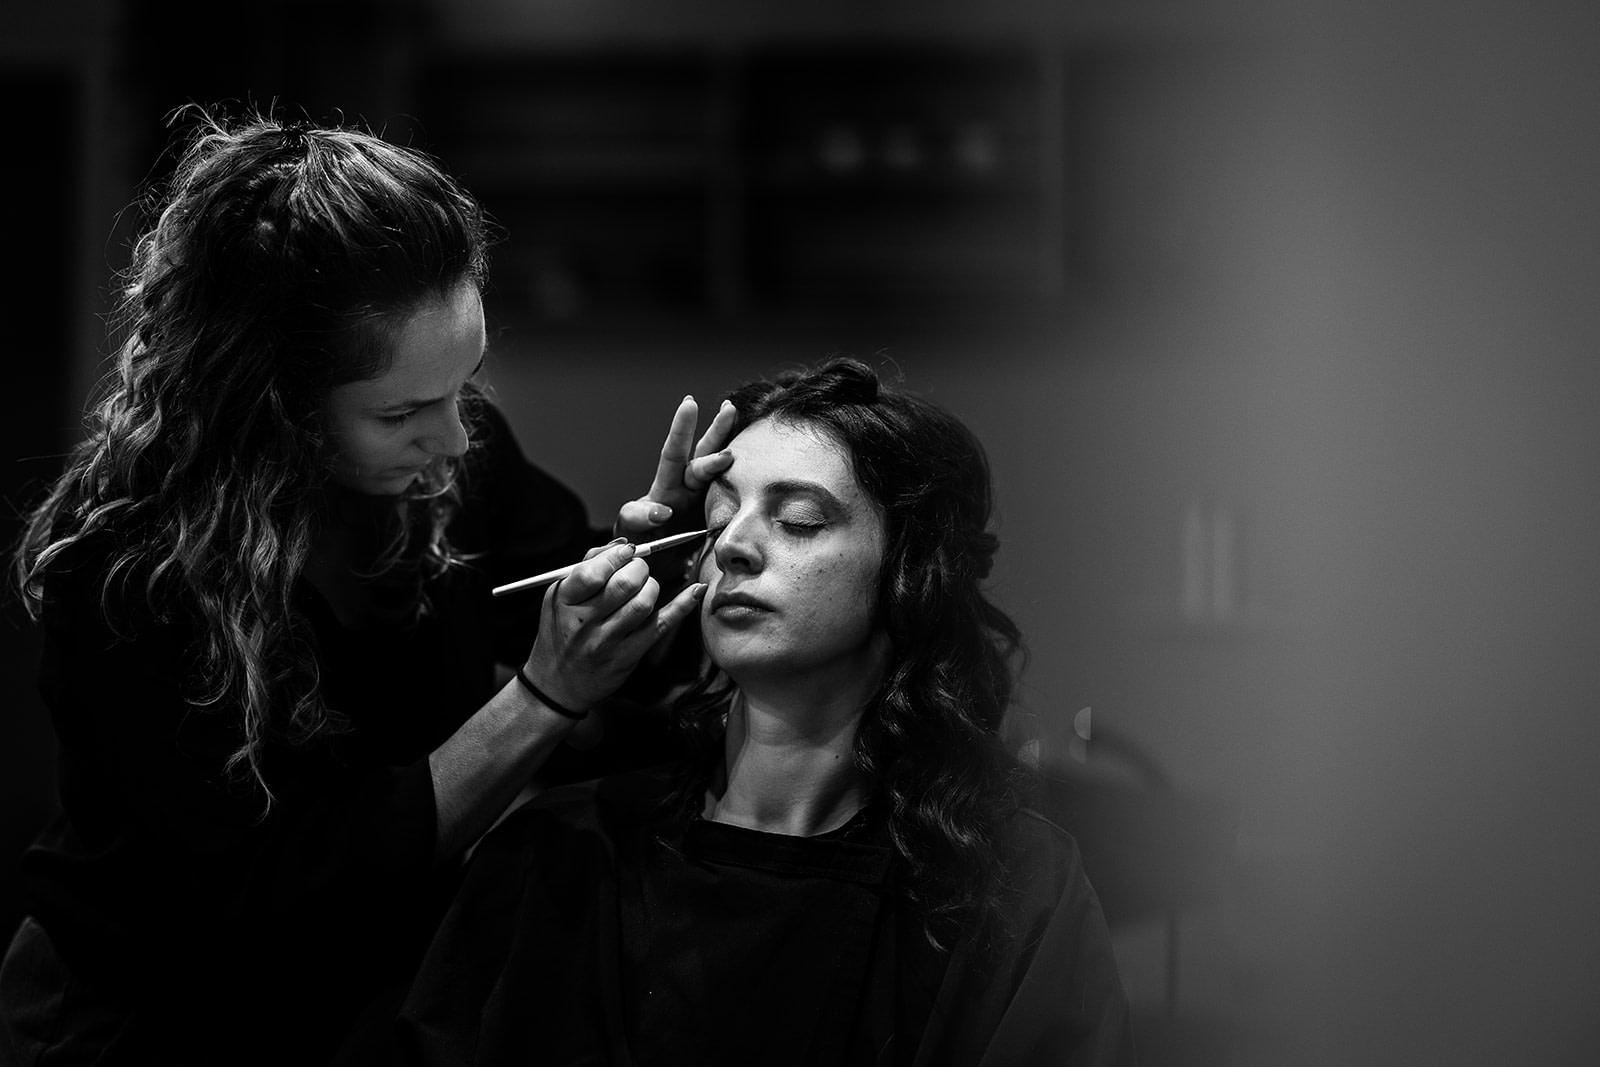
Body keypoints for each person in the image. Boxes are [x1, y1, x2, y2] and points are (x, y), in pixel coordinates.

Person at [0, 109, 734, 1065]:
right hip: (147, 1015)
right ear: (274, 405)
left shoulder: (454, 470)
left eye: (463, 386)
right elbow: (277, 890)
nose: (455, 440)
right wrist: (543, 697)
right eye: (403, 411)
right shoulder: (132, 572)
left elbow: (599, 639)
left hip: (364, 1000)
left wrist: (654, 552)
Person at [383, 359, 1135, 1066]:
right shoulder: (558, 855)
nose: (736, 545)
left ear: (911, 572)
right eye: (716, 519)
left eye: (800, 521)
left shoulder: (1014, 890)